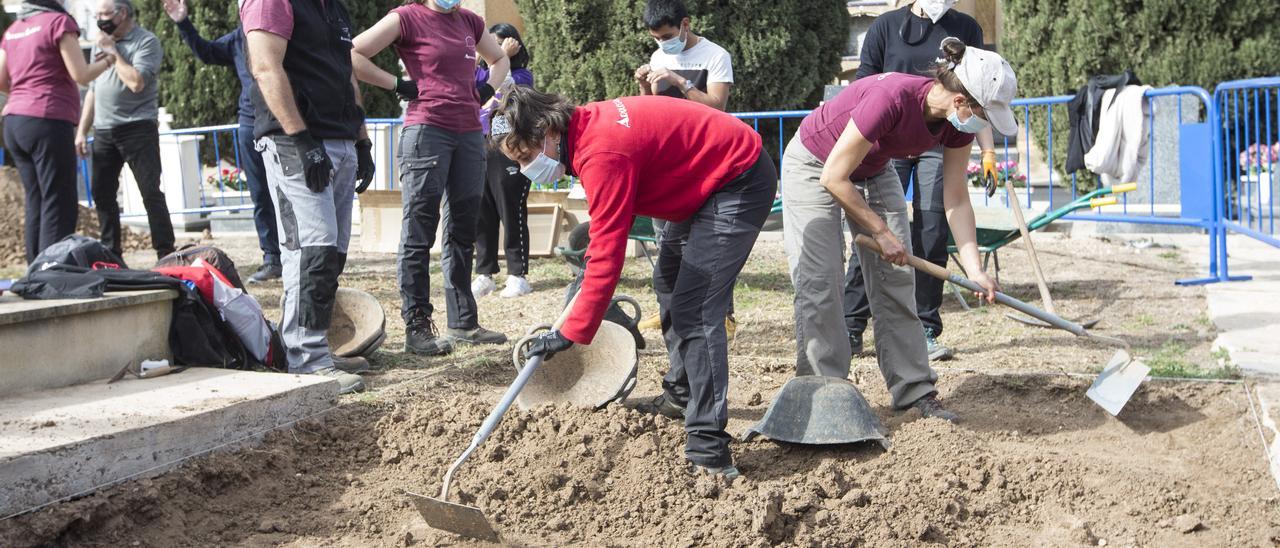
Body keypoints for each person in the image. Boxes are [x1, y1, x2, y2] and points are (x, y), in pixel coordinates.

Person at [495, 88, 776, 480]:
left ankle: (709, 448)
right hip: (699, 178)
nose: (528, 168)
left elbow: (607, 254)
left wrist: (570, 332)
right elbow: (606, 233)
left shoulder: (601, 152)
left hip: (736, 177)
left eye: (527, 157)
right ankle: (681, 396)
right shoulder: (583, 132)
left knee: (695, 309)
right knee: (669, 282)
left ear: (548, 131)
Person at [783, 39, 1015, 422]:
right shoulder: (891, 98)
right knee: (820, 280)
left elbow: (956, 198)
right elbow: (834, 177)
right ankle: (823, 395)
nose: (983, 125)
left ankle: (914, 391)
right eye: (983, 114)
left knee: (896, 279)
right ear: (960, 100)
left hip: (873, 169)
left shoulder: (956, 126)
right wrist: (880, 231)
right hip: (816, 163)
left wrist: (975, 269)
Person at [351, 0, 510, 356]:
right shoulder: (406, 17)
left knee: (462, 229)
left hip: (469, 133)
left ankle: (463, 322)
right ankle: (418, 326)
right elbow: (353, 54)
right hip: (427, 131)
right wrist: (399, 85)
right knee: (419, 230)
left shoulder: (470, 21)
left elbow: (500, 59)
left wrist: (486, 90)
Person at [843, 0, 998, 361]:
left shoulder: (966, 28)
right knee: (877, 230)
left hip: (939, 140)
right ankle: (852, 323)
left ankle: (925, 326)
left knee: (932, 230)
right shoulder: (885, 26)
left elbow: (978, 97)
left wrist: (988, 150)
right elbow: (865, 86)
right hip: (888, 137)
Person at [241, 0, 376, 393]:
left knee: (333, 253)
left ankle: (314, 346)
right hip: (296, 140)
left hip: (340, 137)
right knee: (312, 250)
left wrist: (362, 140)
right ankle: (307, 358)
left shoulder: (333, 7)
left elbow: (346, 73)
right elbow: (265, 67)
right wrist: (301, 139)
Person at [632, 0, 739, 338]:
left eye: (667, 36)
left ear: (686, 24)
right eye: (655, 39)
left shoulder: (715, 55)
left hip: (705, 161)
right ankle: (668, 307)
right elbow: (652, 111)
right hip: (666, 161)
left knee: (708, 239)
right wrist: (643, 85)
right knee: (665, 238)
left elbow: (717, 108)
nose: (662, 44)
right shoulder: (658, 57)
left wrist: (679, 80)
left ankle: (723, 314)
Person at [162, 0, 281, 284]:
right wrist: (183, 22)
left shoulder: (281, 28)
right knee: (260, 194)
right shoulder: (239, 37)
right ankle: (272, 258)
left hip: (285, 121)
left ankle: (302, 256)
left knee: (291, 192)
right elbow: (207, 52)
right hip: (251, 123)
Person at [0, 0, 115, 262]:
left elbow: (1, 80)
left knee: (36, 199)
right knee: (58, 200)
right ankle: (51, 269)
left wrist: (26, 91)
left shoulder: (14, 29)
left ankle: (35, 268)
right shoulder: (59, 22)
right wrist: (109, 59)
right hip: (48, 118)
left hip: (15, 120)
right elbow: (81, 74)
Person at [77, 0, 175, 261]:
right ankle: (112, 255)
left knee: (150, 192)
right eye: (97, 14)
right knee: (102, 193)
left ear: (122, 13)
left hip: (137, 127)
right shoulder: (100, 43)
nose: (100, 19)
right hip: (103, 130)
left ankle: (165, 252)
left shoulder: (146, 41)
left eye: (105, 13)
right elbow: (93, 91)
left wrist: (114, 53)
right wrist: (82, 131)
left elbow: (136, 82)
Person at [471, 23, 534, 299]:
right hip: (478, 144)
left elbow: (507, 99)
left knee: (511, 209)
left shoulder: (521, 75)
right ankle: (484, 273)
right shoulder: (479, 73)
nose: (491, 49)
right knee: (481, 211)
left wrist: (503, 60)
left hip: (508, 146)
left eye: (497, 44)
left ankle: (517, 274)